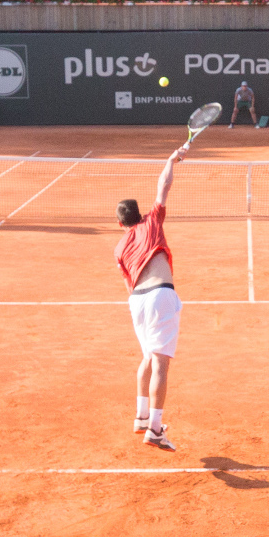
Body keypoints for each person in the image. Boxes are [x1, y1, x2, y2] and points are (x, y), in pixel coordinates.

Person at [115, 145, 190, 451]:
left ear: (121, 224)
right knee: (161, 363)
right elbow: (164, 185)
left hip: (136, 303)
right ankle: (155, 429)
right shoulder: (152, 222)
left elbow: (127, 286)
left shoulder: (119, 247)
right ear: (141, 215)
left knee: (147, 357)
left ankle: (142, 416)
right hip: (160, 296)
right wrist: (172, 159)